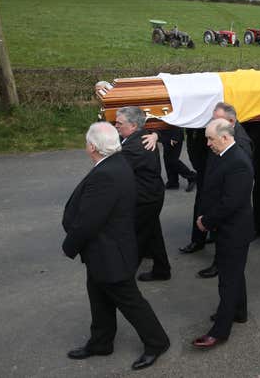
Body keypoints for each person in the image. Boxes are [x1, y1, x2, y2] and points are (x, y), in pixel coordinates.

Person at [62, 122, 169, 370]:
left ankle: (157, 342)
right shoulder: (116, 163)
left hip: (110, 252)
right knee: (98, 297)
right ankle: (101, 342)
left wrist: (70, 245)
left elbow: (90, 220)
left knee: (130, 301)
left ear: (92, 147)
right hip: (103, 251)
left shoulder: (106, 174)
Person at [192, 119, 255, 350]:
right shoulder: (223, 155)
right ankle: (239, 311)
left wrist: (206, 221)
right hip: (226, 228)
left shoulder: (238, 162)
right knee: (235, 273)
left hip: (234, 231)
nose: (207, 143)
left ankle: (220, 331)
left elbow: (231, 203)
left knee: (228, 280)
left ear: (226, 137)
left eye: (210, 138)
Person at [175, 103, 252, 260]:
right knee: (203, 211)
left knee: (224, 238)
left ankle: (218, 262)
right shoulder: (217, 135)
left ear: (230, 122)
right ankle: (198, 240)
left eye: (216, 120)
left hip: (222, 195)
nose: (211, 123)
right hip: (207, 181)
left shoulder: (240, 143)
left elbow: (232, 195)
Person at [115, 107, 171, 282]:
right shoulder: (141, 136)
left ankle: (123, 279)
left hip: (145, 199)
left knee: (136, 238)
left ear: (132, 126)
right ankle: (162, 270)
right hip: (152, 194)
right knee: (153, 233)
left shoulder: (134, 147)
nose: (115, 125)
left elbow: (115, 171)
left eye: (119, 123)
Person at [158, 126, 197, 191]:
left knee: (173, 160)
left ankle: (192, 176)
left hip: (174, 134)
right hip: (166, 135)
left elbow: (177, 120)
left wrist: (175, 136)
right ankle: (172, 182)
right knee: (167, 159)